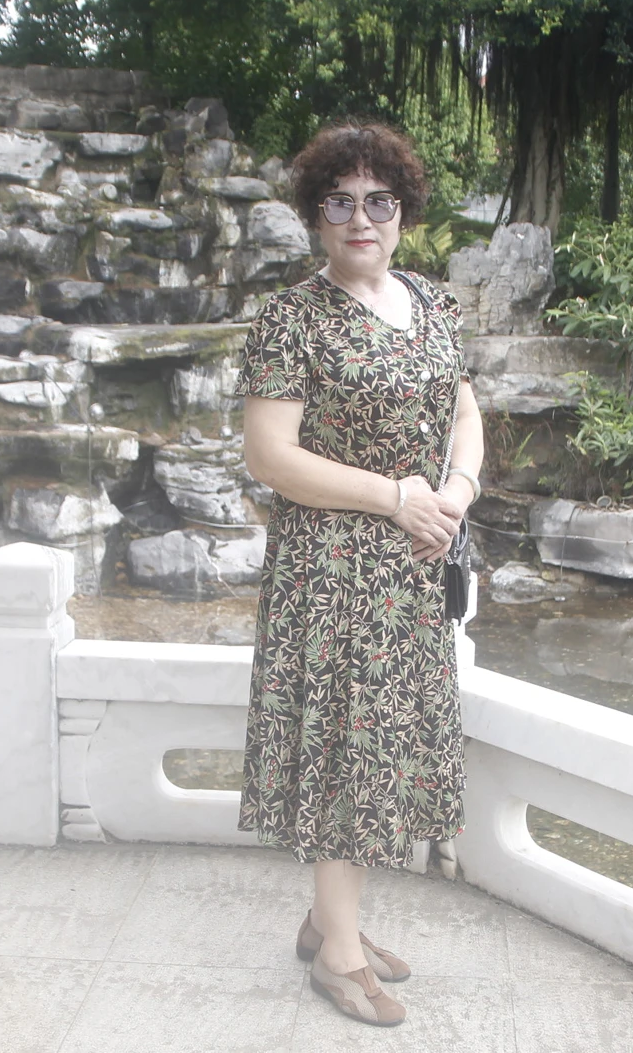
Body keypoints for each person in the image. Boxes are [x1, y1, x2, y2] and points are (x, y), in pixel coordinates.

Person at [235, 121, 485, 1027]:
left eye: (378, 200)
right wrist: (396, 497)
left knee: (383, 752)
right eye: (338, 202)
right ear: (316, 214)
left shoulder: (434, 304)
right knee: (348, 752)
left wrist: (455, 492)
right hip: (333, 574)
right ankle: (337, 955)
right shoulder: (292, 318)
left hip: (412, 575)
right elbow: (271, 456)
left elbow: (465, 412)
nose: (360, 218)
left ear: (403, 210)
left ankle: (327, 921)